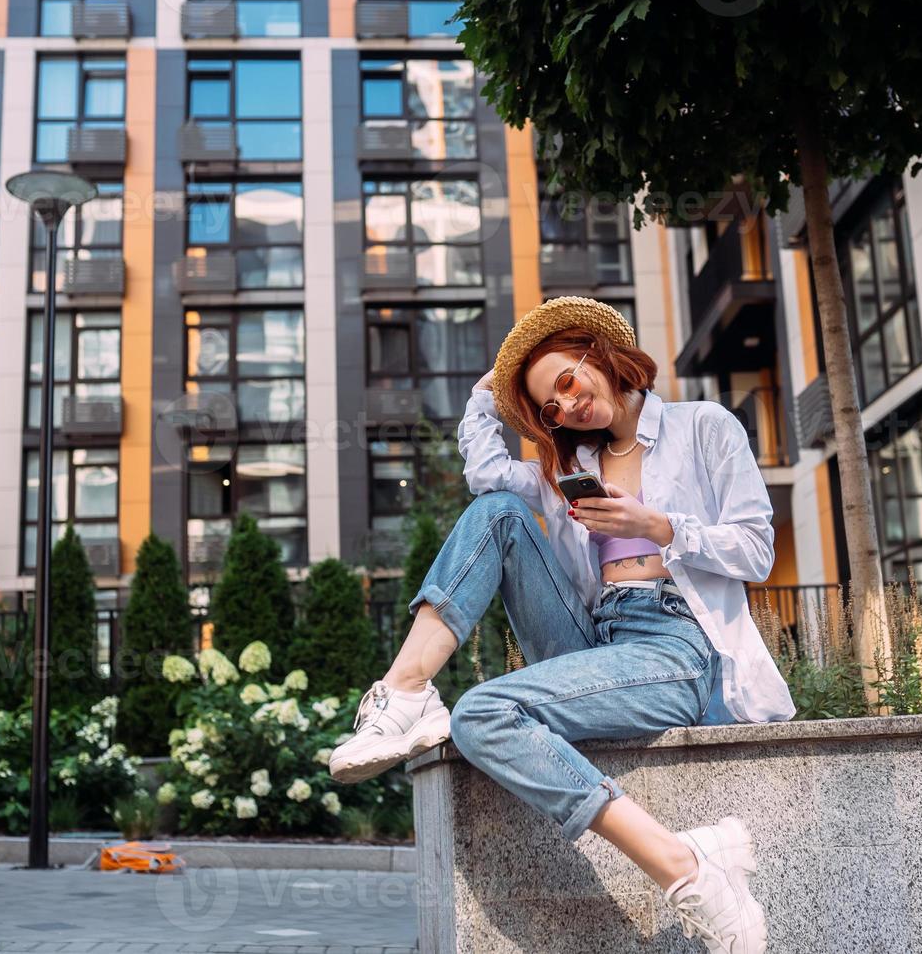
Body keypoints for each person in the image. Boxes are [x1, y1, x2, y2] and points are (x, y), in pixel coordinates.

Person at [330, 296, 794, 953]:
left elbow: (755, 549)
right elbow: (484, 475)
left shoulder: (703, 427)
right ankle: (405, 691)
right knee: (497, 511)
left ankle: (687, 868)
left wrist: (655, 527)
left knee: (485, 713)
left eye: (569, 383)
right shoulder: (570, 469)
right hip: (597, 633)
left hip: (679, 643)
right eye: (548, 408)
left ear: (599, 357)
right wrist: (485, 397)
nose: (565, 408)